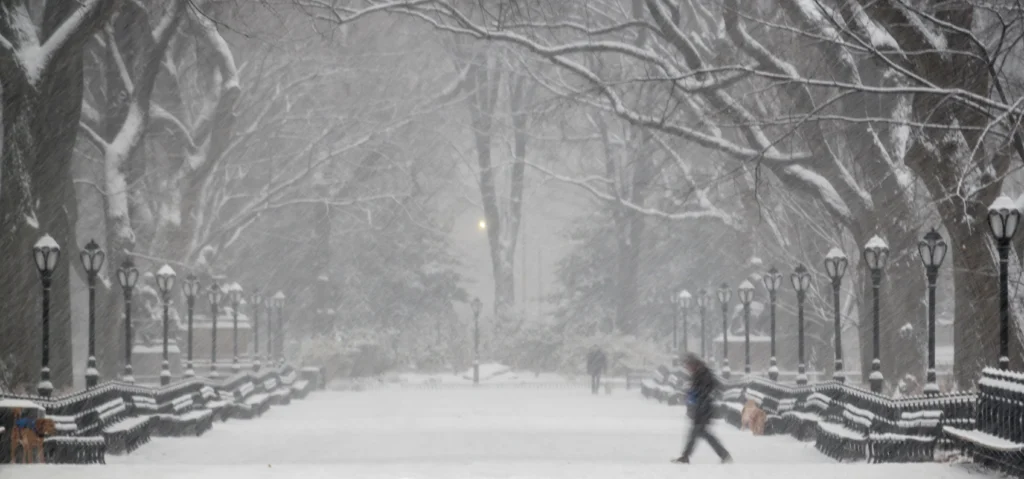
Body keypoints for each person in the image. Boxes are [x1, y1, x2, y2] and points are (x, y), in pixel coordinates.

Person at [673, 353, 731, 464]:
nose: (687, 369)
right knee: (701, 433)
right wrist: (691, 394)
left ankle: (686, 456)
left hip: (704, 409)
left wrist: (696, 395)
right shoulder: (699, 373)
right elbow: (699, 389)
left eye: (688, 366)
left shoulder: (703, 373)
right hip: (701, 408)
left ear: (693, 364)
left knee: (699, 433)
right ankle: (723, 455)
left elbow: (707, 389)